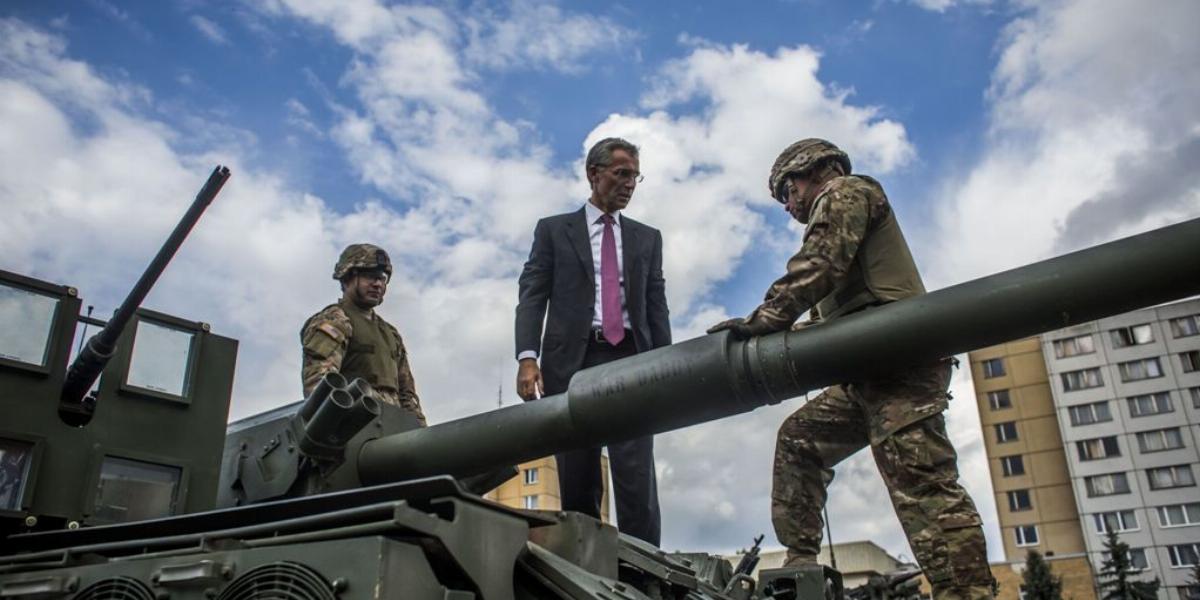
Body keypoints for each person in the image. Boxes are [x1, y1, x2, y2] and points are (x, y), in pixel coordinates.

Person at [708, 139, 994, 599]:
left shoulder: (846, 192)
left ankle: (968, 593)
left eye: (788, 189)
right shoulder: (835, 215)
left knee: (922, 489)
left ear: (818, 170)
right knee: (800, 441)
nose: (788, 204)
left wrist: (766, 319)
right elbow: (827, 306)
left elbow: (819, 263)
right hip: (865, 376)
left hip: (899, 368)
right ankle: (800, 567)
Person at [515, 137, 671, 545]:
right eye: (621, 174)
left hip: (631, 359)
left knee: (636, 475)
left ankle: (644, 574)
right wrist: (528, 358)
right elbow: (532, 295)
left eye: (635, 176)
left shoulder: (647, 238)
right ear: (593, 173)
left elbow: (657, 305)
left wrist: (668, 365)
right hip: (572, 363)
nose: (630, 183)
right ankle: (584, 569)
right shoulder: (553, 231)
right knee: (577, 474)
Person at [301, 243, 426, 426]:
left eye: (382, 278)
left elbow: (407, 395)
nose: (377, 284)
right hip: (355, 426)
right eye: (370, 276)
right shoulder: (335, 321)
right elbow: (320, 386)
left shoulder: (390, 333)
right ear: (347, 278)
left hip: (392, 428)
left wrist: (420, 432)